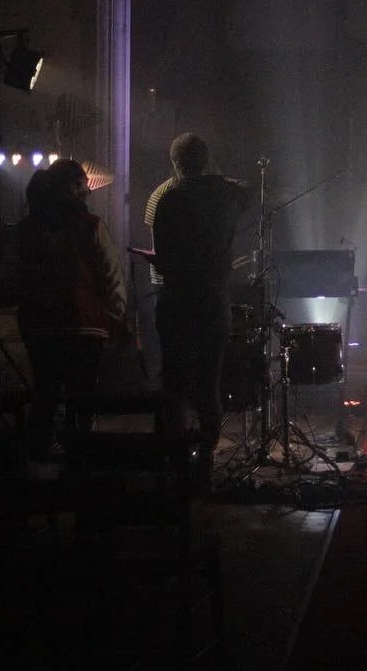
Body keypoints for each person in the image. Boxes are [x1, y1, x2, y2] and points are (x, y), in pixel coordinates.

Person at [150, 133, 254, 482]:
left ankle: (174, 457)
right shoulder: (227, 194)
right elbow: (249, 192)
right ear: (207, 160)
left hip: (177, 297)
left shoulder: (169, 199)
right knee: (209, 380)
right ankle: (206, 454)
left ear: (176, 164)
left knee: (174, 380)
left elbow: (162, 262)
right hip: (213, 298)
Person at [14, 159, 128, 466]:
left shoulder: (27, 228)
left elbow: (16, 275)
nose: (88, 192)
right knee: (82, 397)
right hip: (84, 324)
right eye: (82, 185)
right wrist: (116, 316)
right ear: (70, 187)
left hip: (39, 325)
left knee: (45, 393)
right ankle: (80, 463)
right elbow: (110, 275)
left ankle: (36, 465)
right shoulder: (89, 224)